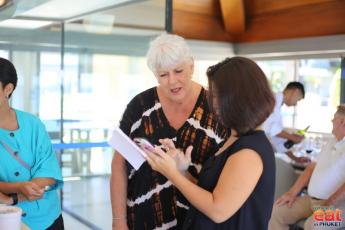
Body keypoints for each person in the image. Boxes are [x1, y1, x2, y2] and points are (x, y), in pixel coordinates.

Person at [110, 34, 229, 230]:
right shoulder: (139, 106)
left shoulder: (216, 108)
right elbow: (119, 165)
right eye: (163, 75)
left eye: (178, 71)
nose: (172, 81)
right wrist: (119, 221)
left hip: (198, 221)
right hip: (142, 220)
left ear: (191, 66)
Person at [145, 57, 276, 229]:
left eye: (218, 96)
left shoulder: (249, 151)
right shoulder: (233, 138)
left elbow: (218, 210)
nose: (213, 104)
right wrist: (181, 171)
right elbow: (210, 193)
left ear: (239, 98)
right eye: (212, 96)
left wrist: (172, 174)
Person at [0, 58, 64, 229]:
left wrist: (13, 194)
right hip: (7, 221)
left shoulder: (33, 124)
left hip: (48, 218)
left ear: (8, 89)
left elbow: (48, 171)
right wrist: (20, 188)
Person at [269, 104, 345, 230]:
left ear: (342, 122)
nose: (332, 120)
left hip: (338, 206)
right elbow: (311, 168)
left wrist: (328, 205)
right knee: (275, 212)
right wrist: (291, 193)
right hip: (311, 200)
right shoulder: (332, 141)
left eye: (334, 118)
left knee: (313, 225)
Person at [262, 81, 309, 163]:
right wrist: (292, 137)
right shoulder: (272, 100)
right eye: (298, 100)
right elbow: (269, 128)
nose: (295, 104)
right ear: (296, 91)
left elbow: (277, 141)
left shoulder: (278, 106)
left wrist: (296, 158)